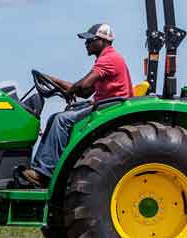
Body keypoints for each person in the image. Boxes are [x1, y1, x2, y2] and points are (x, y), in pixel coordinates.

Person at [21, 23, 133, 187]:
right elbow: (85, 92)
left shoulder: (109, 58)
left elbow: (82, 85)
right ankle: (46, 167)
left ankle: (44, 173)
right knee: (62, 115)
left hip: (109, 108)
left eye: (89, 40)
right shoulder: (105, 60)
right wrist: (54, 81)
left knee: (61, 120)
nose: (86, 44)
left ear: (102, 41)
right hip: (104, 105)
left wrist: (71, 90)